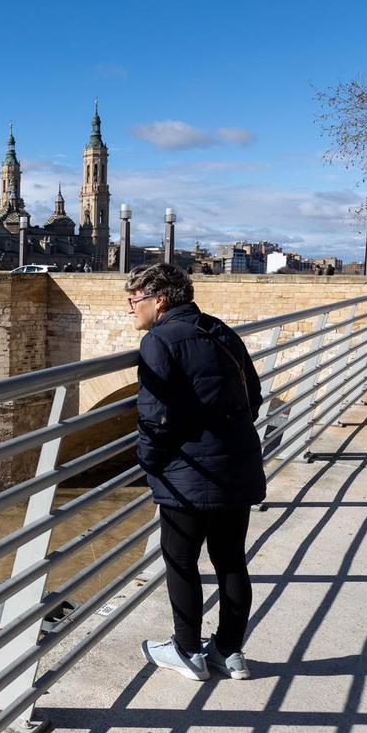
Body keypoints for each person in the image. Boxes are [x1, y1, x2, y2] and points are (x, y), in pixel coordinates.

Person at [127, 263, 265, 681]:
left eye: (135, 300)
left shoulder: (159, 341)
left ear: (160, 301)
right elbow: (253, 396)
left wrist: (150, 462)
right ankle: (229, 651)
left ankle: (187, 651)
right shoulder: (220, 330)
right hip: (237, 463)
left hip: (186, 474)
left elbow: (155, 417)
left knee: (181, 560)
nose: (131, 308)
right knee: (231, 560)